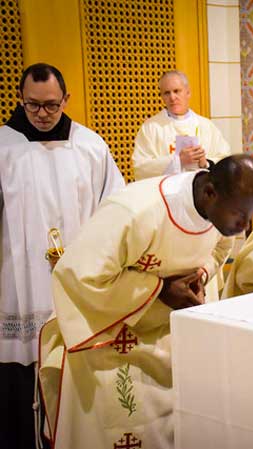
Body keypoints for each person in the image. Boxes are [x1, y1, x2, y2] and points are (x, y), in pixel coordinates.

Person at [38, 154, 253, 449]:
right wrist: (159, 289)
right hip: (110, 338)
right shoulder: (135, 211)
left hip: (166, 339)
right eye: (240, 216)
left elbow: (220, 248)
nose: (243, 227)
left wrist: (201, 274)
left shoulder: (223, 212)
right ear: (210, 192)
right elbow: (79, 276)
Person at [0, 63, 124, 449]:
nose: (42, 113)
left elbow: (115, 211)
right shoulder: (3, 146)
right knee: (20, 382)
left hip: (78, 283)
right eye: (32, 105)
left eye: (51, 105)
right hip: (16, 285)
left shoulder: (90, 146)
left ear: (66, 100)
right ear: (20, 100)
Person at [132, 70, 231, 180]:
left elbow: (225, 160)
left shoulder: (206, 126)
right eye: (167, 93)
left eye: (176, 91)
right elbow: (140, 168)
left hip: (200, 189)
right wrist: (177, 160)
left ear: (188, 93)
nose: (172, 97)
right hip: (166, 190)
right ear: (162, 96)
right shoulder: (151, 127)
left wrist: (206, 163)